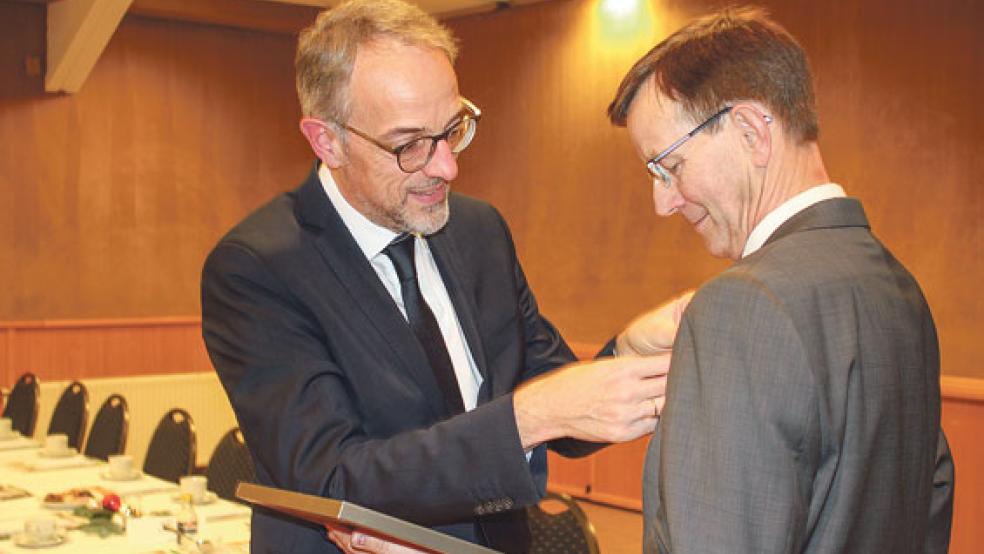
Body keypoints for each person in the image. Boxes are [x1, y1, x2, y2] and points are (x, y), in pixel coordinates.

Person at [200, 0, 686, 552]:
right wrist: (527, 418)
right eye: (408, 145)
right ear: (326, 140)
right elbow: (329, 479)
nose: (446, 166)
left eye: (453, 129)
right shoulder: (258, 267)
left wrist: (625, 353)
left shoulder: (479, 231)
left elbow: (554, 403)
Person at [607, 7, 955, 553]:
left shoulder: (742, 305)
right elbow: (927, 507)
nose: (662, 202)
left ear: (750, 131)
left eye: (668, 167)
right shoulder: (897, 287)